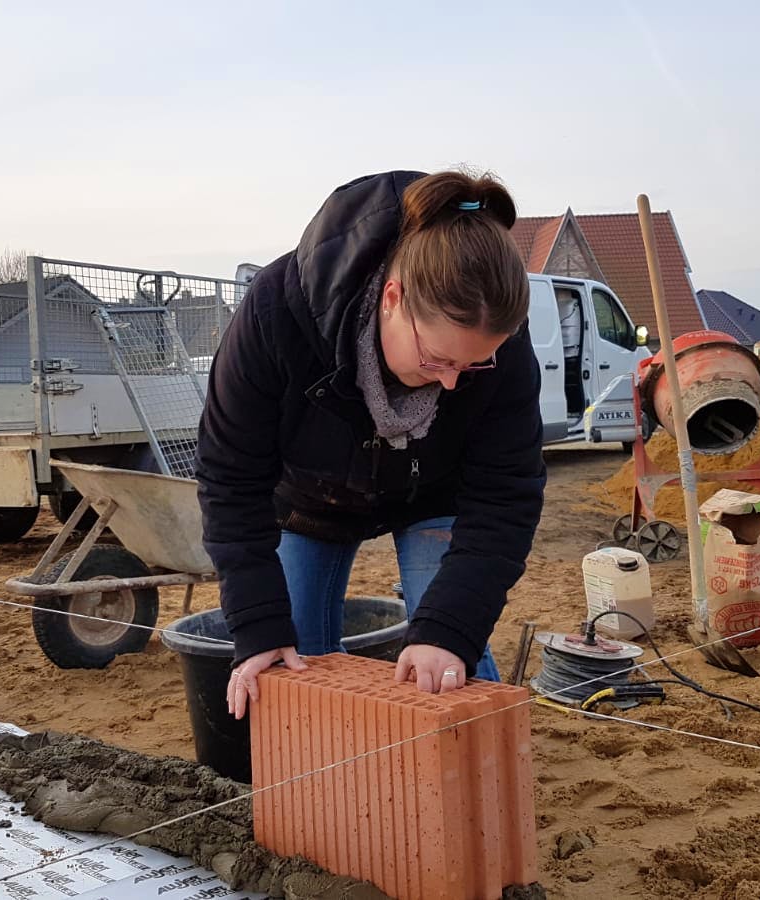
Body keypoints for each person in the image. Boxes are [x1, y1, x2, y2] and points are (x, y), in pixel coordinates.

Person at [194, 169, 546, 720]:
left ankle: (475, 775)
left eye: (473, 365)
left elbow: (507, 496)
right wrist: (258, 623)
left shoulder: (501, 343)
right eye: (437, 360)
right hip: (311, 498)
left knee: (451, 663)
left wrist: (450, 630)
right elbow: (228, 478)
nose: (453, 382)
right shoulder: (275, 312)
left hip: (434, 491)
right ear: (392, 297)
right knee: (295, 670)